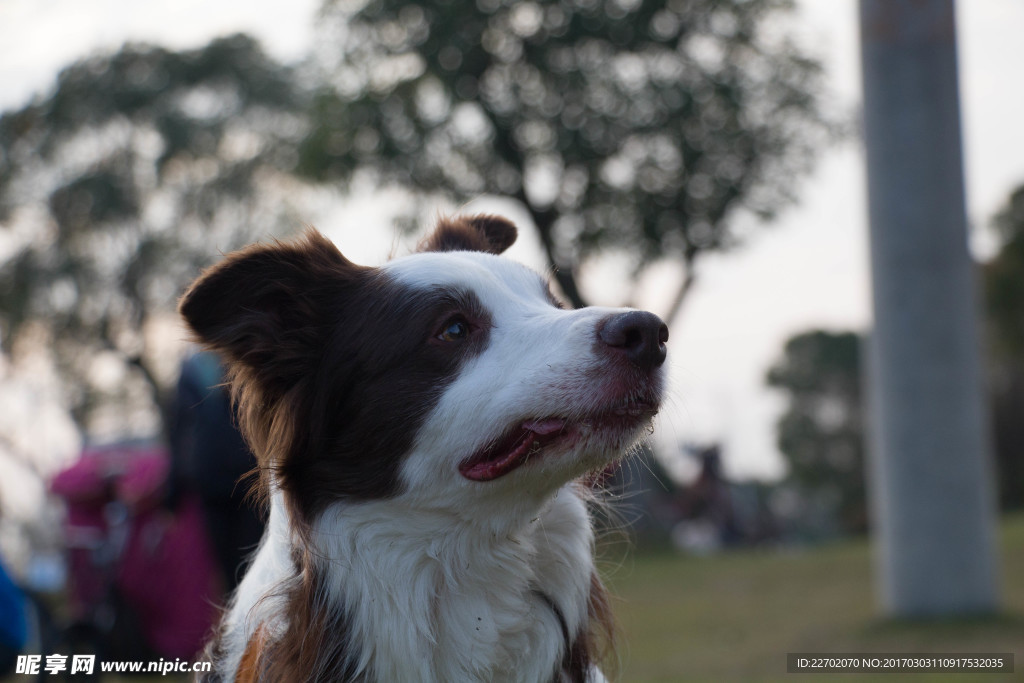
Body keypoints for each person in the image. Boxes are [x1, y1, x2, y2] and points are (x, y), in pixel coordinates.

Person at [168, 351, 263, 593]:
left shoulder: (239, 358)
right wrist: (174, 487)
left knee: (253, 558)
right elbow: (179, 429)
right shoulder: (189, 370)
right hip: (210, 481)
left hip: (247, 479)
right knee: (227, 565)